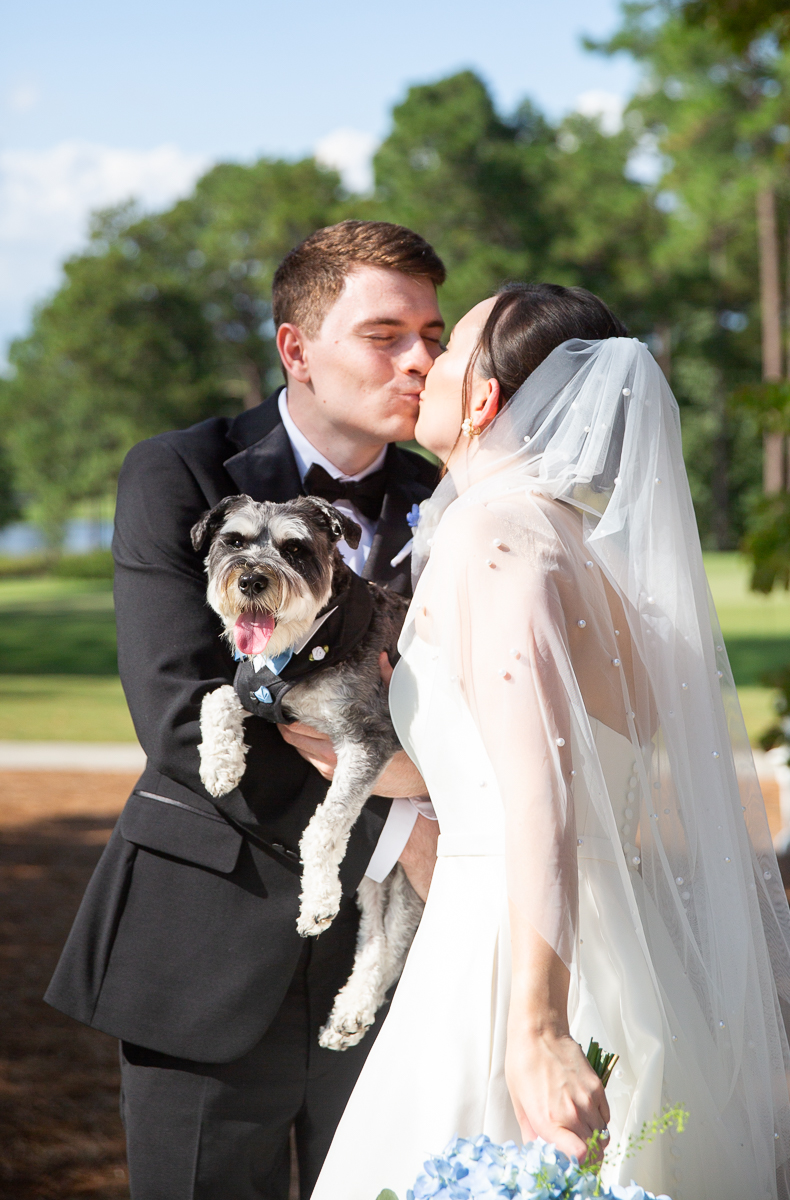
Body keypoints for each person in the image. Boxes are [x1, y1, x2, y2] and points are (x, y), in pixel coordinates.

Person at [312, 283, 790, 1200]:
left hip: (507, 948)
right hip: (614, 942)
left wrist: (535, 1026)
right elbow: (528, 762)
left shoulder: (494, 538)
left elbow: (545, 793)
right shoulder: (587, 554)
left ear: (487, 399)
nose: (427, 368)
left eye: (449, 350)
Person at [44, 220, 446, 1200]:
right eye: (384, 333)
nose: (419, 360)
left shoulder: (452, 501)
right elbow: (186, 718)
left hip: (399, 968)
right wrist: (412, 815)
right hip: (205, 947)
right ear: (296, 349)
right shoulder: (180, 473)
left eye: (431, 336)